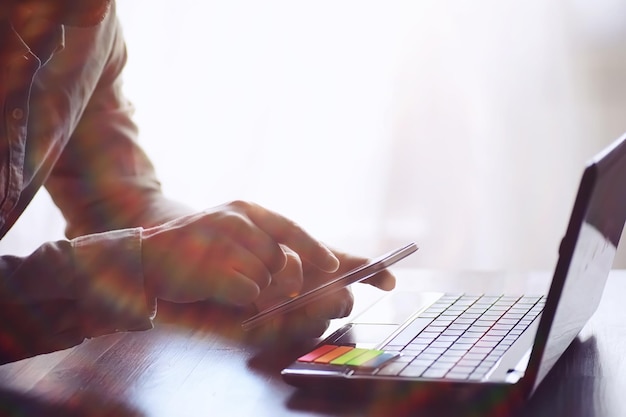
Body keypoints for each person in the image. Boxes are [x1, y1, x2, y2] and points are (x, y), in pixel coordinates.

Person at [0, 0, 396, 364]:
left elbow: (118, 204)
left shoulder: (91, 24)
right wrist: (142, 262)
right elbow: (135, 249)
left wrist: (244, 257)